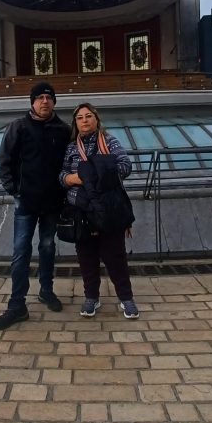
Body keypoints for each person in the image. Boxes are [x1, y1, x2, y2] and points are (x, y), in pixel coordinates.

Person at [0, 81, 70, 330]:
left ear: (54, 102)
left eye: (49, 97)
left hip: (52, 203)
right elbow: (4, 160)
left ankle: (46, 290)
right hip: (26, 202)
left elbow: (70, 162)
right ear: (33, 102)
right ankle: (17, 305)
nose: (44, 101)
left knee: (47, 247)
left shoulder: (63, 130)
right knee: (20, 251)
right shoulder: (19, 126)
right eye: (40, 98)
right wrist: (14, 190)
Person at [60, 102, 139, 319]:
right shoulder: (71, 148)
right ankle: (91, 298)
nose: (84, 120)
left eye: (88, 116)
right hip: (80, 210)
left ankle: (126, 298)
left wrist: (98, 175)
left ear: (96, 119)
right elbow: (61, 175)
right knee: (86, 257)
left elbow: (125, 166)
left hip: (107, 209)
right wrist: (72, 178)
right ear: (75, 123)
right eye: (80, 118)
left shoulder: (110, 142)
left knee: (115, 256)